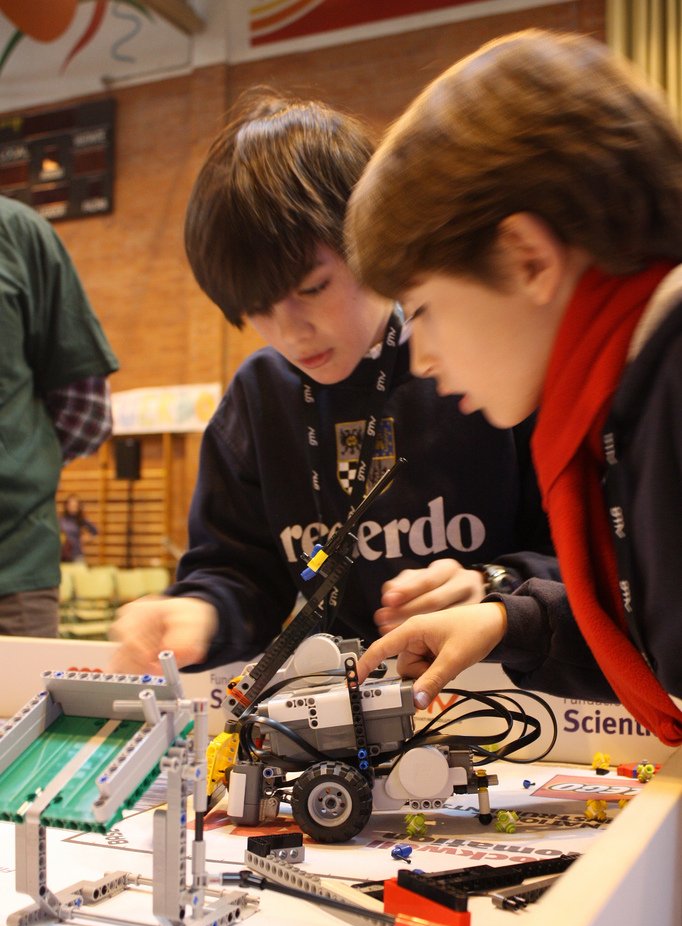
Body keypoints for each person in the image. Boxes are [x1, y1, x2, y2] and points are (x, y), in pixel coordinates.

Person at [109, 89, 557, 676]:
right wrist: (200, 610)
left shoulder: (480, 360)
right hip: (355, 698)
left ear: (370, 238)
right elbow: (238, 572)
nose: (291, 332)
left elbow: (585, 555)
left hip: (524, 689)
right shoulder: (257, 397)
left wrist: (493, 585)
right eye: (257, 310)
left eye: (313, 288)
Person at [344, 29, 682, 745]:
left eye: (426, 312)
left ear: (528, 259)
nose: (424, 360)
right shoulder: (631, 390)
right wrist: (509, 620)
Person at [0, 195, 118, 637]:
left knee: (18, 708)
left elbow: (86, 411)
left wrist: (20, 460)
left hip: (11, 577)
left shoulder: (16, 233)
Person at [60, 493, 98, 563]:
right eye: (71, 505)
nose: (73, 507)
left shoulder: (81, 520)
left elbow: (95, 531)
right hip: (64, 555)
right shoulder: (62, 520)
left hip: (77, 555)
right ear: (66, 506)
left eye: (75, 506)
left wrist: (88, 539)